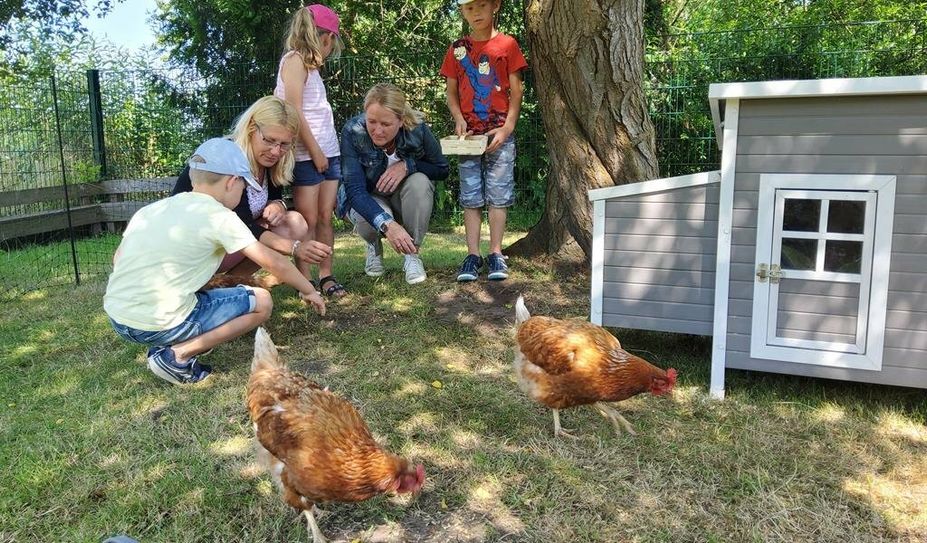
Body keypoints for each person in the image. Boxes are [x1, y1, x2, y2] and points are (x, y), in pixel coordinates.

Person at [105, 138, 326, 385]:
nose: (243, 192)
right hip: (159, 322)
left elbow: (118, 258)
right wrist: (309, 290)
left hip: (119, 319)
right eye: (244, 186)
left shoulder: (151, 210)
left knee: (198, 291)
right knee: (262, 301)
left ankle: (169, 339)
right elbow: (274, 262)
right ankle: (177, 355)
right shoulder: (220, 217)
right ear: (232, 182)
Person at [172, 96, 333, 276]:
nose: (275, 151)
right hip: (196, 246)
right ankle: (209, 281)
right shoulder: (228, 159)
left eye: (284, 144)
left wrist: (278, 204)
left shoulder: (270, 162)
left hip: (230, 239)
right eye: (269, 140)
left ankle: (233, 282)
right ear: (251, 128)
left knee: (293, 222)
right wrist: (295, 248)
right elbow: (241, 225)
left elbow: (271, 197)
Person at [440, 0, 527, 282]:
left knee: (498, 196)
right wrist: (457, 118)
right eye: (468, 8)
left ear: (495, 6)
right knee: (471, 195)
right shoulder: (456, 50)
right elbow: (451, 92)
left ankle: (495, 253)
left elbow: (516, 91)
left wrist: (507, 128)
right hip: (469, 138)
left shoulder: (507, 45)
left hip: (499, 135)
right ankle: (473, 255)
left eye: (480, 6)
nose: (475, 13)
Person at [338, 83, 449, 285]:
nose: (377, 130)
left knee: (420, 182)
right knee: (362, 209)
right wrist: (387, 224)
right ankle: (373, 244)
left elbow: (442, 169)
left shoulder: (418, 129)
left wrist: (408, 166)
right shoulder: (352, 131)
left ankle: (412, 254)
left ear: (401, 120)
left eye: (386, 124)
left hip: (402, 198)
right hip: (369, 198)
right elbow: (354, 190)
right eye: (371, 121)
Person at [274, 3, 346, 298]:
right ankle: (305, 282)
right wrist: (315, 152)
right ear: (326, 38)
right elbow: (294, 113)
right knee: (308, 220)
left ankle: (326, 276)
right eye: (332, 43)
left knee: (326, 216)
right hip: (307, 156)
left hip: (329, 153)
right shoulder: (293, 61)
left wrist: (326, 152)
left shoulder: (312, 69)